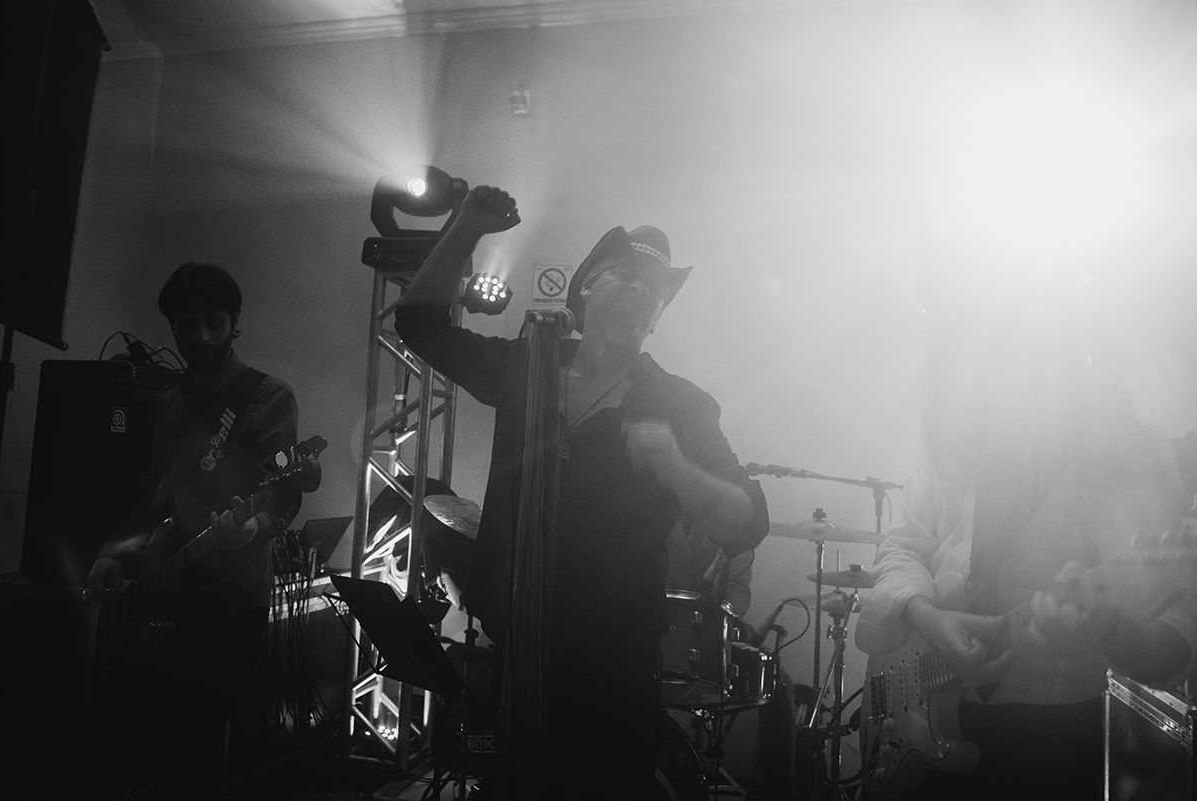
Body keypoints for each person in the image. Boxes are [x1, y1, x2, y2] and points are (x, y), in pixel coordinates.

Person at [392, 185, 769, 800]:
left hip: (614, 659)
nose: (643, 290)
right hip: (520, 641)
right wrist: (466, 227)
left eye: (657, 288)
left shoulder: (680, 404)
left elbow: (748, 521)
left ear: (657, 317)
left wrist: (677, 467)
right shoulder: (531, 367)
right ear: (587, 286)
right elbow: (419, 323)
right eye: (628, 274)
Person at [854, 257, 1195, 801]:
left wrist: (1104, 631)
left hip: (1050, 738)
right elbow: (904, 542)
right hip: (926, 718)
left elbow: (1172, 646)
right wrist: (928, 616)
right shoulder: (950, 425)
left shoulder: (1121, 444)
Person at [86, 263, 299, 800]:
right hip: (166, 597)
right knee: (144, 749)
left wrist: (253, 525)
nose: (201, 337)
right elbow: (156, 499)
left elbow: (284, 492)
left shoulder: (267, 396)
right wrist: (112, 552)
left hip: (229, 607)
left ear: (234, 324)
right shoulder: (171, 403)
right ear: (173, 327)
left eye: (215, 323)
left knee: (195, 755)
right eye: (188, 325)